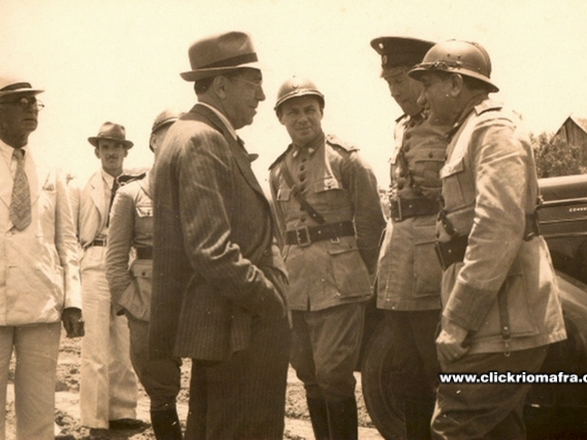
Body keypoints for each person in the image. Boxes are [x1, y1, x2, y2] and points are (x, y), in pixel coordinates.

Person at [407, 40, 567, 439]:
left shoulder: (493, 130)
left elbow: (497, 228)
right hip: (496, 322)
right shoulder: (469, 132)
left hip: (503, 325)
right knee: (499, 431)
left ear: (455, 85)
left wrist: (459, 321)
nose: (421, 98)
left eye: (428, 85)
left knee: (454, 426)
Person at [149, 31, 290, 440]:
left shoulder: (190, 134)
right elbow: (212, 250)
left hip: (224, 328)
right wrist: (272, 301)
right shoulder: (203, 139)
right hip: (240, 328)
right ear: (222, 85)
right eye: (253, 82)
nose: (261, 95)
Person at [269, 76, 386, 440]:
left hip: (340, 282)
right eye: (293, 112)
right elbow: (280, 231)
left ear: (321, 112)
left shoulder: (347, 160)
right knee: (307, 372)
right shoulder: (277, 171)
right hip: (296, 284)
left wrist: (360, 273)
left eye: (309, 110)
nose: (302, 118)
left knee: (334, 374)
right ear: (281, 119)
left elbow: (372, 224)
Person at [0, 79, 83, 439]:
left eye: (34, 103)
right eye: (20, 102)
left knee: (39, 413)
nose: (30, 108)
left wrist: (73, 301)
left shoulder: (51, 169)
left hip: (42, 305)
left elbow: (66, 240)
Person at [370, 36, 449, 440]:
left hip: (431, 261)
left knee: (438, 367)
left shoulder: (451, 124)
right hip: (399, 259)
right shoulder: (403, 126)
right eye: (388, 82)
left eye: (399, 79)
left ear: (422, 77)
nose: (394, 91)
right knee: (405, 369)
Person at [106, 109, 184, 440]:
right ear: (153, 141)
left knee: (211, 385)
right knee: (161, 388)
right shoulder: (131, 194)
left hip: (195, 299)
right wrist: (132, 305)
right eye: (169, 135)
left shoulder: (199, 189)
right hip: (148, 302)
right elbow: (114, 261)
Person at [72, 122, 142, 438]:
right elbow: (72, 233)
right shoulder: (81, 187)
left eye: (117, 147)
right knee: (96, 343)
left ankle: (123, 412)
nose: (111, 152)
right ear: (97, 152)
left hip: (126, 264)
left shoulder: (137, 187)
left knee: (124, 341)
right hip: (95, 259)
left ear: (125, 152)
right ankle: (95, 418)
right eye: (106, 147)